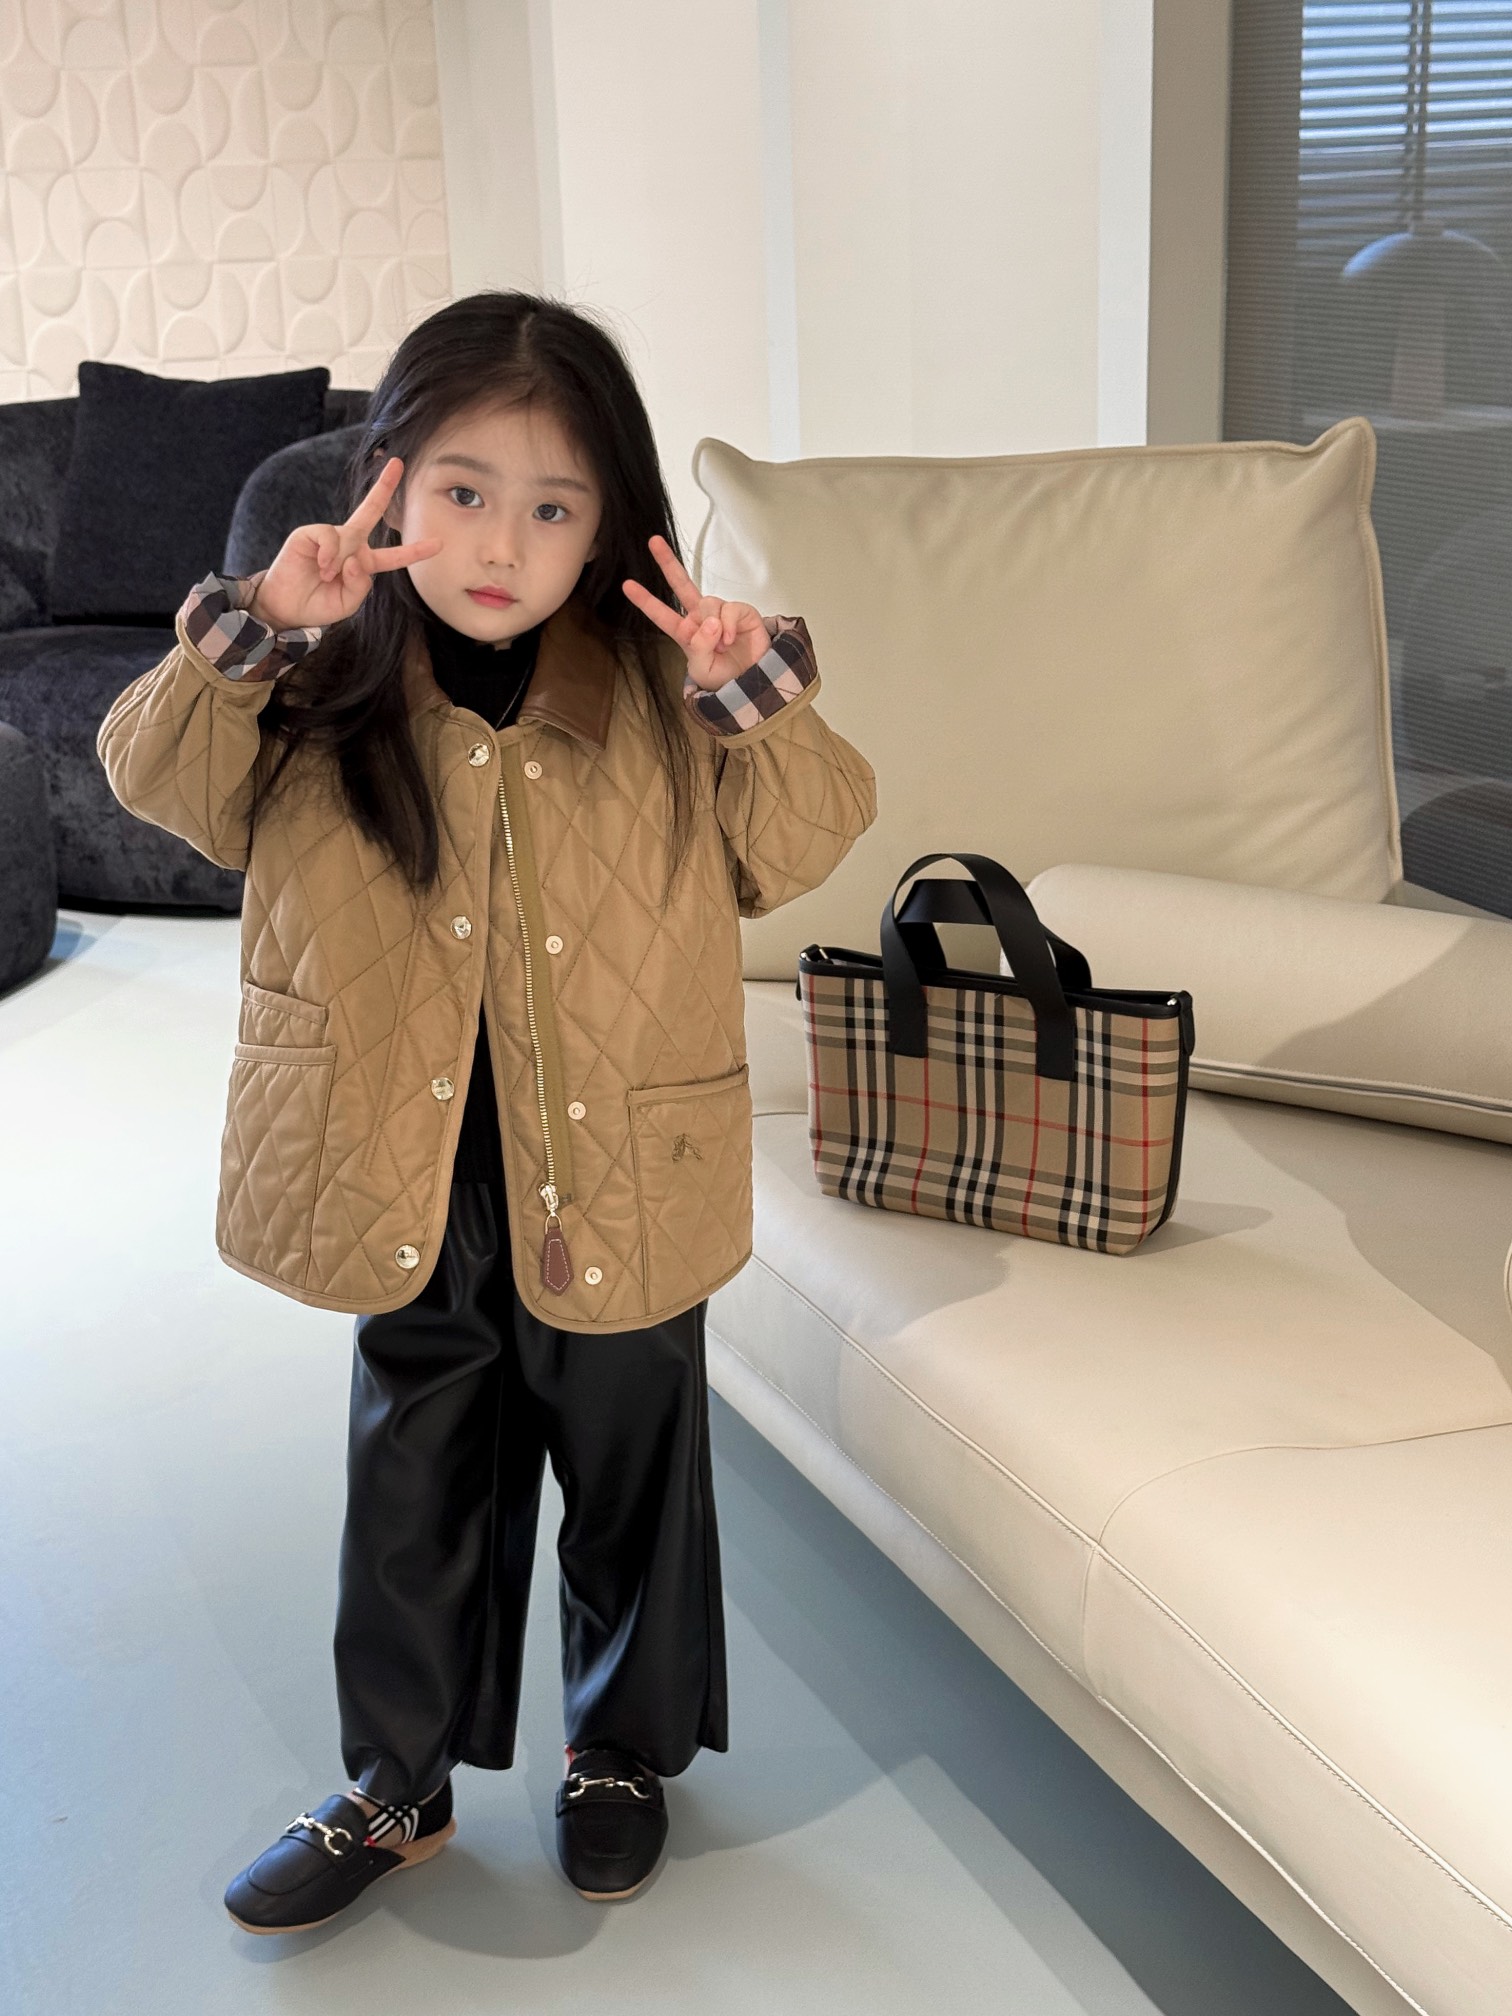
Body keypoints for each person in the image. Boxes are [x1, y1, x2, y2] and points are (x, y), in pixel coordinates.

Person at [96, 289, 877, 1935]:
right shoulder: (315, 685)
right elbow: (157, 782)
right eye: (462, 491)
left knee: (634, 1465)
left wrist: (752, 692)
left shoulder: (666, 695)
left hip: (624, 1156)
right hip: (405, 1157)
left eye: (553, 507)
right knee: (415, 1473)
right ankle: (399, 1787)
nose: (503, 544)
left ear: (611, 526)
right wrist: (259, 618)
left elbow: (803, 844)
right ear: (386, 477)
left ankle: (620, 1753)